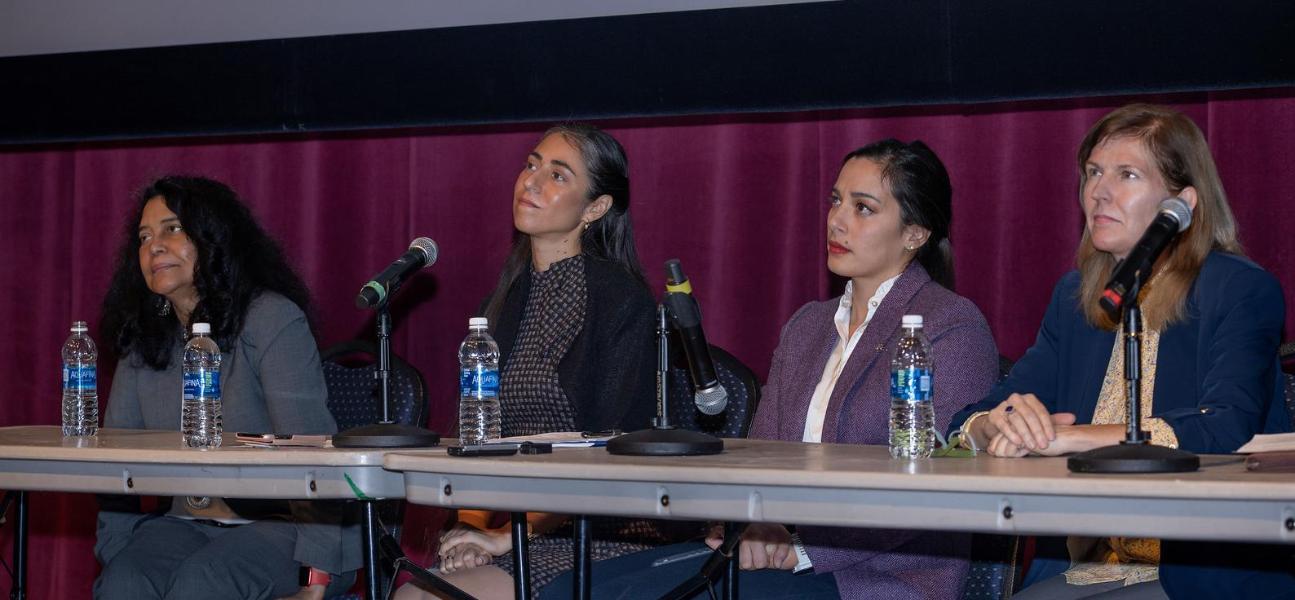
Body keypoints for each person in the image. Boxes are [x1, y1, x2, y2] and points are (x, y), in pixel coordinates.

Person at [556, 139, 1000, 600]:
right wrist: (750, 522)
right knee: (572, 589)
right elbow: (762, 456)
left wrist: (802, 550)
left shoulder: (951, 326)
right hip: (775, 558)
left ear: (915, 234)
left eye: (863, 208)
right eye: (835, 201)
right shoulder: (808, 326)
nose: (837, 220)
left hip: (875, 578)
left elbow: (933, 487)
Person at [949, 104, 1294, 599]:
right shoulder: (1075, 298)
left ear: (1182, 203)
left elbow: (1225, 425)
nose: (1099, 192)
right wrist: (995, 425)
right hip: (1083, 567)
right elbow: (979, 411)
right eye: (1093, 172)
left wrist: (1072, 438)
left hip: (1200, 574)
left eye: (1127, 174)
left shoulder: (1239, 289)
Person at [396, 124, 659, 600]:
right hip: (526, 530)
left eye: (557, 175)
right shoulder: (507, 299)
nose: (531, 182)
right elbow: (482, 435)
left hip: (608, 532)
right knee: (415, 591)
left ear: (596, 208)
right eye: (531, 165)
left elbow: (609, 450)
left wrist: (507, 535)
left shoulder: (621, 300)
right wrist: (471, 526)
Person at [95, 176, 358, 600]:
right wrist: (117, 553)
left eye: (172, 229)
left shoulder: (271, 318)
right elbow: (115, 467)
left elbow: (315, 458)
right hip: (185, 524)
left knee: (204, 581)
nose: (154, 246)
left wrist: (317, 581)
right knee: (125, 580)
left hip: (287, 530)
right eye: (144, 237)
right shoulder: (144, 340)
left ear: (213, 238)